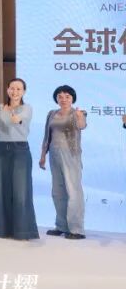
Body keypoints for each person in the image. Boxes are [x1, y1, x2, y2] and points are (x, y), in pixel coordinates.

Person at [0, 78, 38, 240]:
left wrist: (16, 118)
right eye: (12, 88)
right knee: (1, 190)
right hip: (0, 150)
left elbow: (19, 119)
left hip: (19, 150)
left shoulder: (27, 108)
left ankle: (23, 230)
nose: (15, 91)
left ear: (24, 91)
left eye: (19, 89)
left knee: (21, 190)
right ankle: (3, 229)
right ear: (7, 90)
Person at [40, 85, 87, 240]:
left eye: (67, 96)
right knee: (58, 191)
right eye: (60, 96)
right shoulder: (51, 113)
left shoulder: (78, 113)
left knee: (73, 191)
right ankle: (61, 226)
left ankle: (77, 229)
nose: (63, 99)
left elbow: (82, 126)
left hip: (71, 155)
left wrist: (80, 117)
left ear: (73, 98)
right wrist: (43, 155)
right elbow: (47, 135)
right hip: (54, 154)